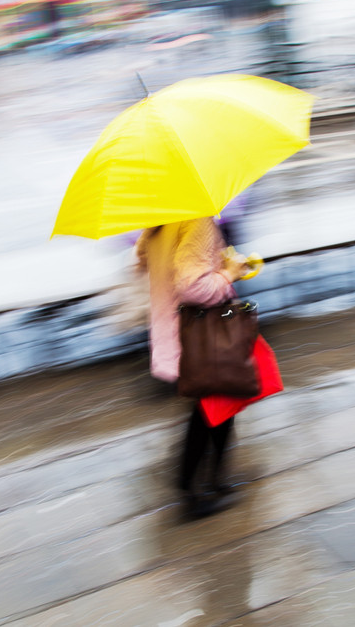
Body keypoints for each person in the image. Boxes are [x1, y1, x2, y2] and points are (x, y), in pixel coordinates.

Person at [136, 217, 250, 517]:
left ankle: (213, 480)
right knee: (210, 412)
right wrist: (228, 274)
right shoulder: (196, 220)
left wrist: (214, 258)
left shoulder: (158, 222)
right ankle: (191, 490)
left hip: (172, 333)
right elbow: (193, 287)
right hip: (199, 337)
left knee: (218, 407)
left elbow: (143, 261)